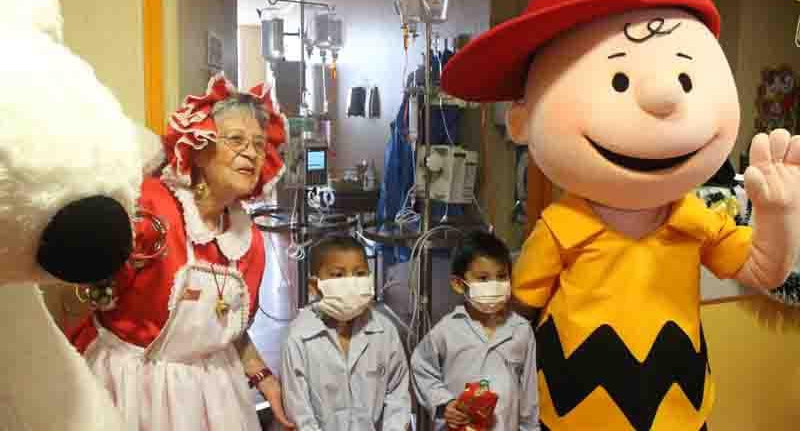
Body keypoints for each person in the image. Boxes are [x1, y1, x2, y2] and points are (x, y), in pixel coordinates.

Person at [440, 0, 800, 429]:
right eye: (619, 81)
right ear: (522, 121)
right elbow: (519, 314)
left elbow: (764, 269)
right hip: (575, 410)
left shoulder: (694, 219)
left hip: (678, 408)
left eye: (686, 78)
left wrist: (779, 217)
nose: (665, 95)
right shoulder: (561, 228)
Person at [69, 74, 295, 431]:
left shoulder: (248, 242)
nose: (251, 152)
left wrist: (264, 376)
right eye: (236, 140)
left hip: (216, 397)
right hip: (132, 392)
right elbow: (86, 293)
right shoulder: (151, 207)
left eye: (258, 143)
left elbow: (229, 331)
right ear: (200, 147)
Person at [410, 231, 539, 431]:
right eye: (483, 278)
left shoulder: (521, 330)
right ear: (459, 284)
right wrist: (445, 403)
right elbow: (421, 367)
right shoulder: (447, 330)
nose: (494, 285)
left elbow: (529, 396)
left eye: (501, 276)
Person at [280, 235, 411, 431]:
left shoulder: (385, 331)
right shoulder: (299, 337)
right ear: (315, 286)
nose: (351, 282)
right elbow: (299, 410)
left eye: (359, 273)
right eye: (338, 275)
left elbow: (397, 395)